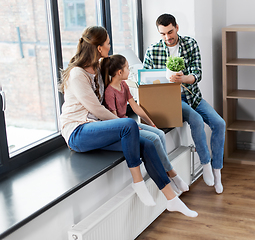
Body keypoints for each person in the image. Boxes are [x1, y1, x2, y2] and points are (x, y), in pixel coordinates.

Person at [59, 26, 197, 217]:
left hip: (97, 128)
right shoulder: (78, 74)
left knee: (148, 144)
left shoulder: (98, 69)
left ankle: (172, 199)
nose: (109, 46)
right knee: (129, 124)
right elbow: (96, 109)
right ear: (99, 48)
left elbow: (117, 83)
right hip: (78, 132)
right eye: (107, 43)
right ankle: (138, 182)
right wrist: (122, 125)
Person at [143, 14, 226, 194]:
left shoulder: (190, 44)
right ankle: (205, 164)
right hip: (172, 101)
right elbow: (145, 80)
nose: (167, 37)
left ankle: (217, 172)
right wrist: (165, 80)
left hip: (193, 96)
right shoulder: (153, 50)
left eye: (170, 32)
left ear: (177, 27)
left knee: (219, 124)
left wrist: (183, 78)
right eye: (163, 34)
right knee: (195, 119)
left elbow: (197, 74)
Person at [101, 54, 189, 193]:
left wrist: (151, 123)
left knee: (159, 133)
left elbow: (135, 107)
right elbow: (115, 119)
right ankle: (172, 174)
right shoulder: (109, 92)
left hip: (128, 123)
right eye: (127, 68)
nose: (129, 71)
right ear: (119, 72)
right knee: (154, 139)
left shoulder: (124, 85)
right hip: (123, 128)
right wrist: (134, 127)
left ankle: (165, 172)